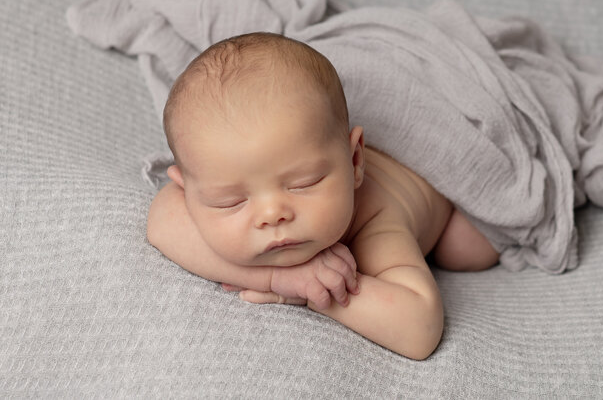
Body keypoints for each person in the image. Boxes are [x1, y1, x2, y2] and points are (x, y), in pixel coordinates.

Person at [146, 32, 499, 360]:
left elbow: (419, 330)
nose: (272, 214)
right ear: (185, 188)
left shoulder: (375, 223)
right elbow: (161, 221)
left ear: (355, 161)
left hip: (428, 172)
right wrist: (280, 279)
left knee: (465, 248)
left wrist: (317, 294)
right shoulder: (200, 191)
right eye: (230, 201)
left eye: (304, 182)